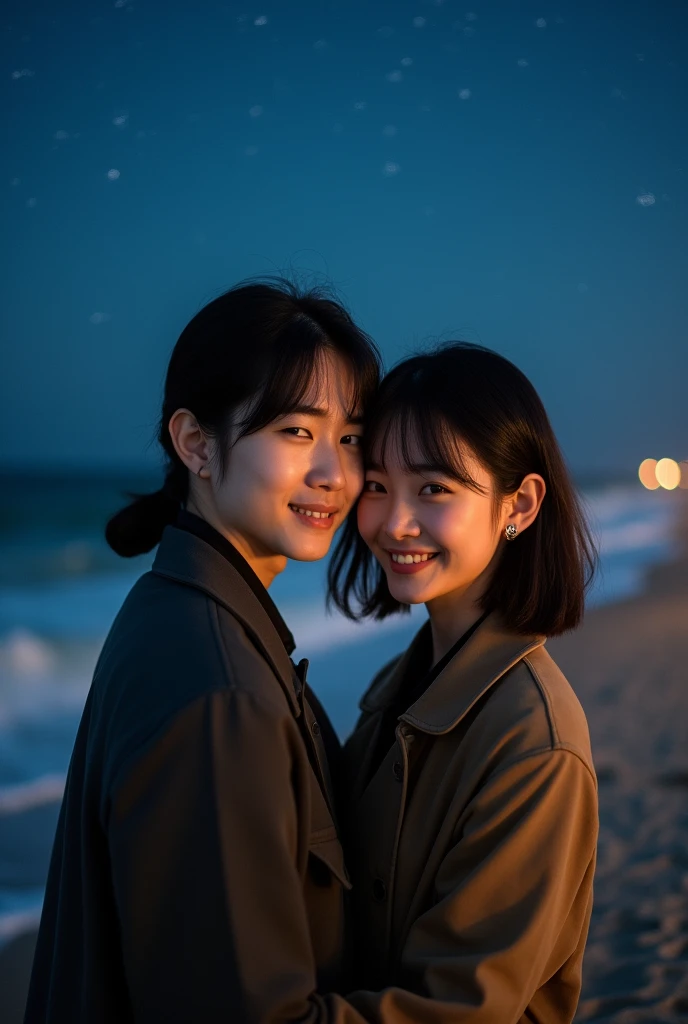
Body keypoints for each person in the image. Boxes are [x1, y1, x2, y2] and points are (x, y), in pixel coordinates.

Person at [24, 279, 381, 1023]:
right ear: (196, 444)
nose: (334, 474)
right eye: (295, 431)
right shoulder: (219, 692)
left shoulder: (180, 611)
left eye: (349, 437)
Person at [328, 343, 599, 1023]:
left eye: (434, 489)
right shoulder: (402, 681)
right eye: (378, 485)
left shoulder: (535, 746)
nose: (394, 522)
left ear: (521, 504)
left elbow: (456, 1008)